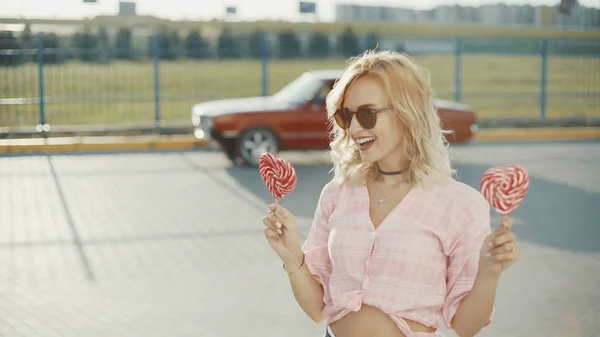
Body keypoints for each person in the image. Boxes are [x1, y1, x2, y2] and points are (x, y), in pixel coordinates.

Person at [262, 50, 519, 337]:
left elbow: (465, 326)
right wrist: (292, 257)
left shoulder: (460, 204)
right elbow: (317, 310)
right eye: (346, 116)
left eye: (367, 114)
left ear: (407, 111)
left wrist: (489, 274)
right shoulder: (337, 193)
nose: (355, 128)